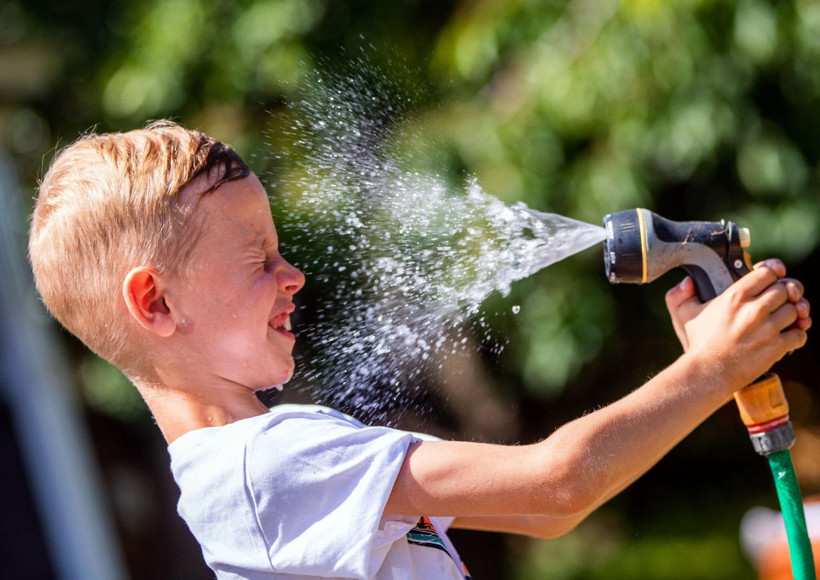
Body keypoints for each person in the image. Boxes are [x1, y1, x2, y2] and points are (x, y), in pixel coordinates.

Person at [28, 121, 812, 580]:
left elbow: (541, 517)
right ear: (156, 303)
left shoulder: (272, 465)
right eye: (257, 258)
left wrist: (708, 374)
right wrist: (712, 369)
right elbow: (559, 482)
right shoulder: (265, 467)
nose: (292, 274)